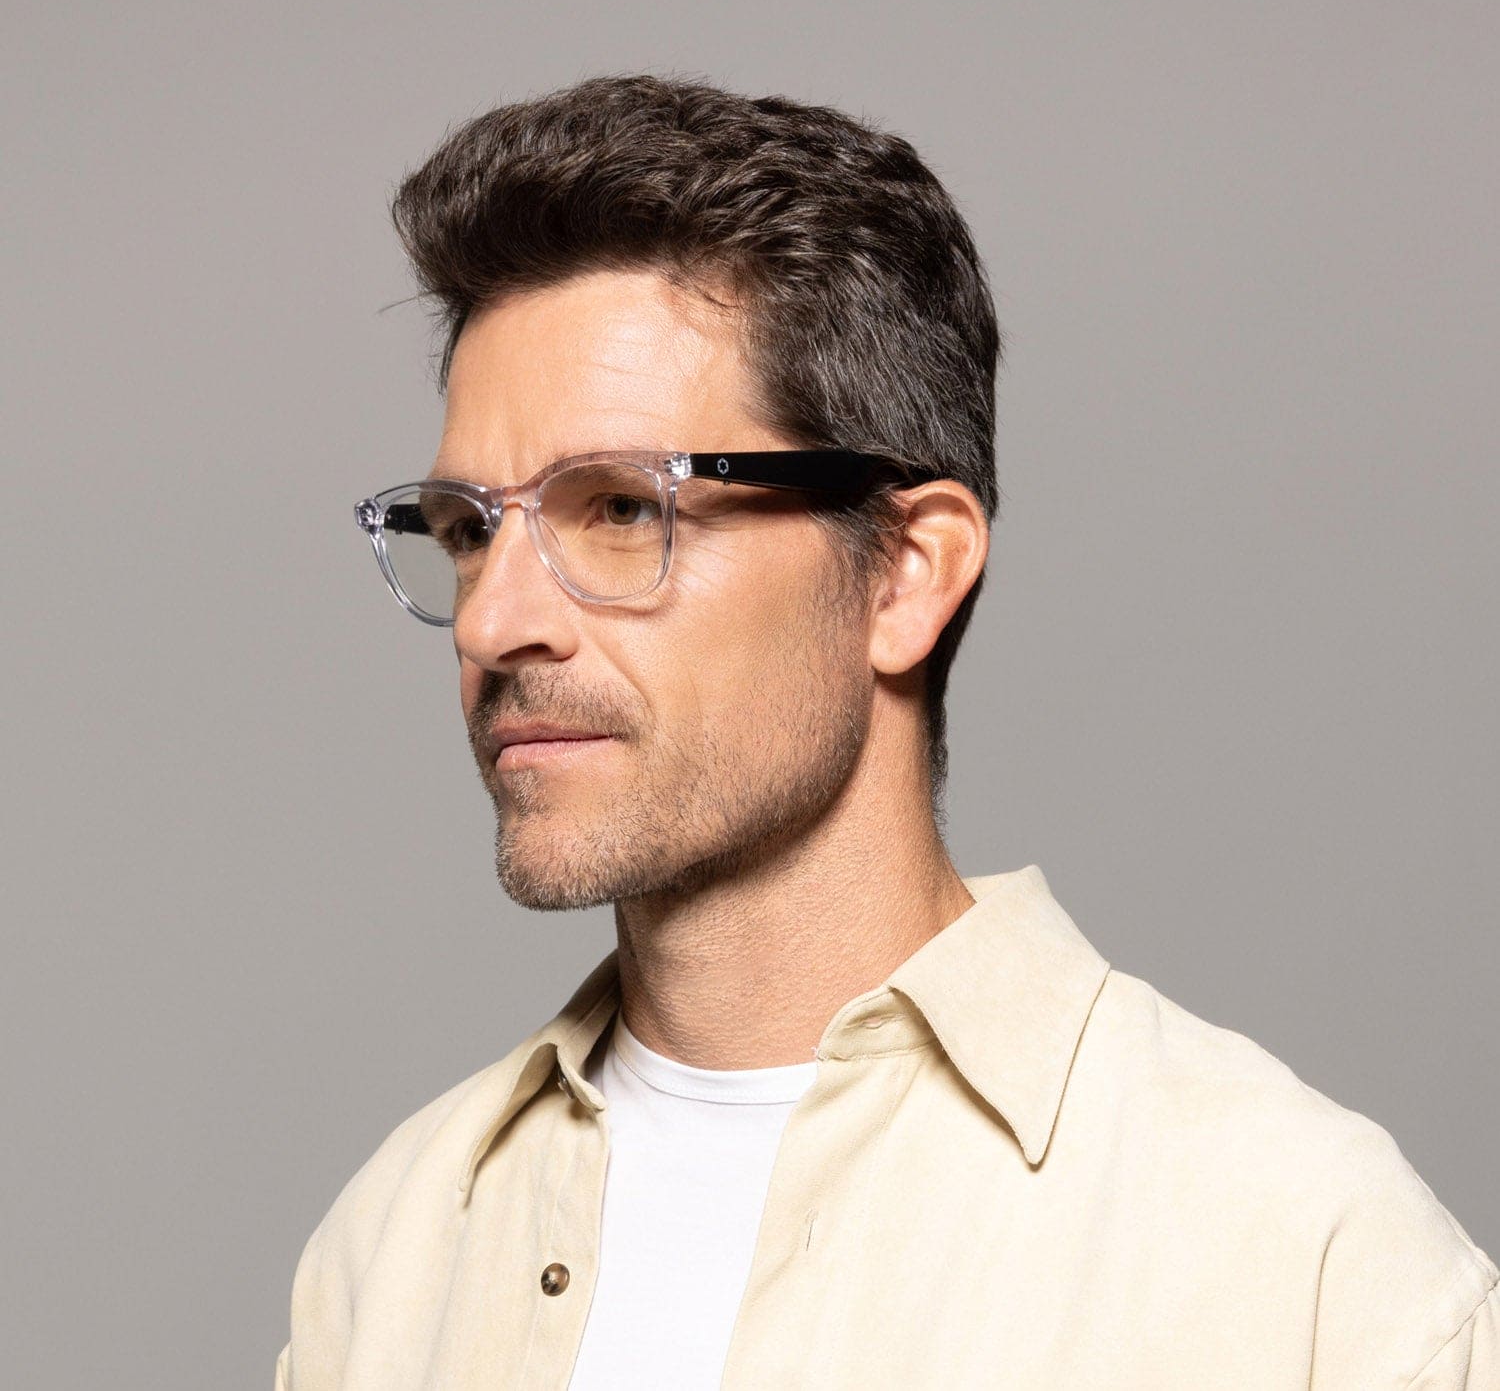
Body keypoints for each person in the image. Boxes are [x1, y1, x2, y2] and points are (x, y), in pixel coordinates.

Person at [275, 73, 1497, 1390]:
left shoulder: (1303, 1262)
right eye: (469, 528)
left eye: (622, 509)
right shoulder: (398, 1245)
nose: (493, 619)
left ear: (908, 572)